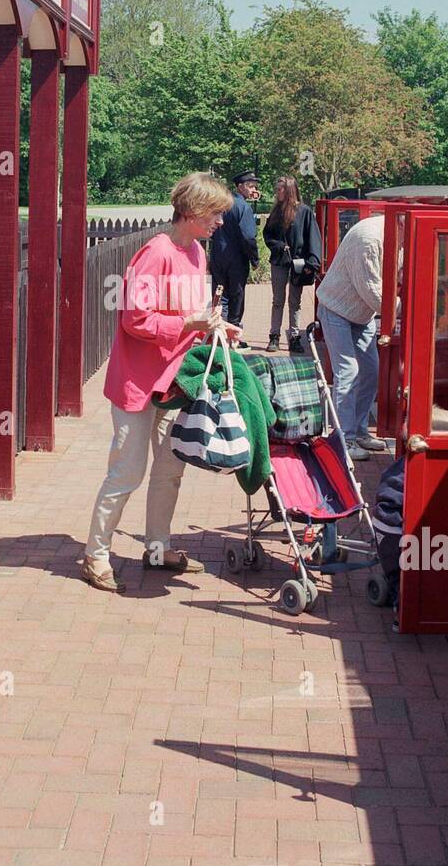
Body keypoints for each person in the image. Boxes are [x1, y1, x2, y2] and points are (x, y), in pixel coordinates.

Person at [83, 172, 241, 593]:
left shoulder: (196, 254)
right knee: (127, 472)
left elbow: (196, 313)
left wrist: (216, 328)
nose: (220, 222)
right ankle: (96, 554)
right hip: (138, 383)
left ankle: (157, 549)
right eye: (215, 214)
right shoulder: (156, 253)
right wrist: (188, 323)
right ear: (190, 212)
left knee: (169, 469)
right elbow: (134, 320)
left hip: (175, 382)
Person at [315, 210, 386, 461]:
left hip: (361, 314)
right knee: (349, 371)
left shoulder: (392, 234)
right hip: (337, 309)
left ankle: (359, 430)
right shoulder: (369, 239)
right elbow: (372, 291)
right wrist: (406, 309)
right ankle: (344, 438)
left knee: (371, 371)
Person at [262, 176, 322, 353]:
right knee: (277, 300)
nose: (276, 192)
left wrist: (312, 261)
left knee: (295, 301)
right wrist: (279, 245)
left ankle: (295, 338)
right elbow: (268, 236)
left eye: (280, 189)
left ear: (289, 190)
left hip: (298, 262)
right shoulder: (276, 212)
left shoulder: (304, 212)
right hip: (280, 261)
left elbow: (313, 237)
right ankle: (274, 336)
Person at [209, 170, 259, 343]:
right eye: (249, 186)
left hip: (218, 255)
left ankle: (219, 332)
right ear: (239, 187)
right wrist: (254, 259)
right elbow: (248, 237)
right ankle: (233, 334)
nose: (253, 189)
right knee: (236, 296)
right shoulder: (243, 207)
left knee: (219, 295)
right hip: (237, 258)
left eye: (254, 186)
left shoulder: (221, 203)